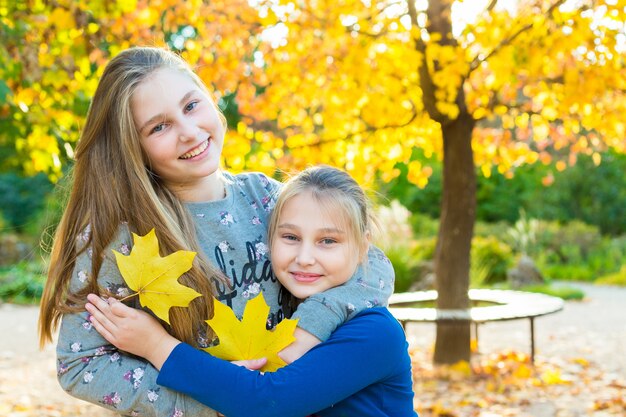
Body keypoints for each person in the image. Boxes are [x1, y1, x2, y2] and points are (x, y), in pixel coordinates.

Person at [38, 46, 394, 417]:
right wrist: (209, 404)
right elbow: (80, 364)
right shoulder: (120, 235)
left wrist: (311, 327)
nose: (189, 133)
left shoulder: (266, 198)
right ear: (133, 147)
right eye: (159, 127)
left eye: (191, 106)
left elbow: (374, 266)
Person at [86, 165, 418, 417]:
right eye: (290, 237)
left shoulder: (375, 332)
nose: (304, 258)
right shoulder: (285, 312)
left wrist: (156, 345)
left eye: (327, 241)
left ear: (362, 248)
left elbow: (270, 402)